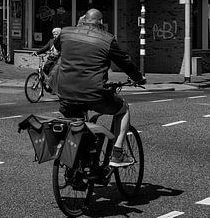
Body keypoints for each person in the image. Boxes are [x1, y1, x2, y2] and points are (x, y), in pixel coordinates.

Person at [54, 9, 146, 167]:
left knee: (77, 119)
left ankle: (79, 163)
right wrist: (138, 78)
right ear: (101, 23)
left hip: (65, 93)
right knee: (123, 109)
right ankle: (117, 154)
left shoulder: (65, 33)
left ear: (83, 21)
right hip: (94, 93)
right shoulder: (107, 39)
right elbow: (125, 62)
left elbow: (58, 48)